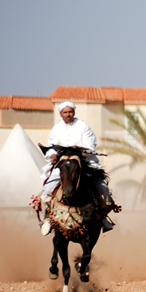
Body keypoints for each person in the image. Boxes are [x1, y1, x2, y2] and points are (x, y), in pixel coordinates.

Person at [39, 101, 116, 235]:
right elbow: (51, 147)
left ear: (73, 112)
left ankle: (103, 217)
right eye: (65, 112)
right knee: (46, 189)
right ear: (60, 114)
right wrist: (52, 156)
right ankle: (47, 219)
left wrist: (77, 149)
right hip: (63, 164)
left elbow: (91, 145)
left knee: (102, 186)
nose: (68, 114)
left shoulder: (83, 126)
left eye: (70, 112)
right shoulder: (56, 129)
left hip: (84, 162)